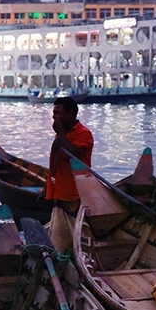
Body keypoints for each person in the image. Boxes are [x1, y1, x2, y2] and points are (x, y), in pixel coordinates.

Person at [45, 96, 94, 256]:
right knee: (58, 237)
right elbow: (56, 161)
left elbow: (72, 155)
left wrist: (60, 134)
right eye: (53, 113)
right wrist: (48, 185)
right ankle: (60, 261)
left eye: (58, 113)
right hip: (60, 191)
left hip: (76, 193)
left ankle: (85, 262)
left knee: (78, 235)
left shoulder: (84, 134)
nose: (54, 117)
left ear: (70, 113)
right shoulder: (62, 135)